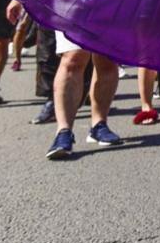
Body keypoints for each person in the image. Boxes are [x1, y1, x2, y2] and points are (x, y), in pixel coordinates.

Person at [45, 31, 122, 160]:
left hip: (110, 10)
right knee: (73, 57)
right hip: (73, 10)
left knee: (107, 59)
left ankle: (99, 124)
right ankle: (63, 131)